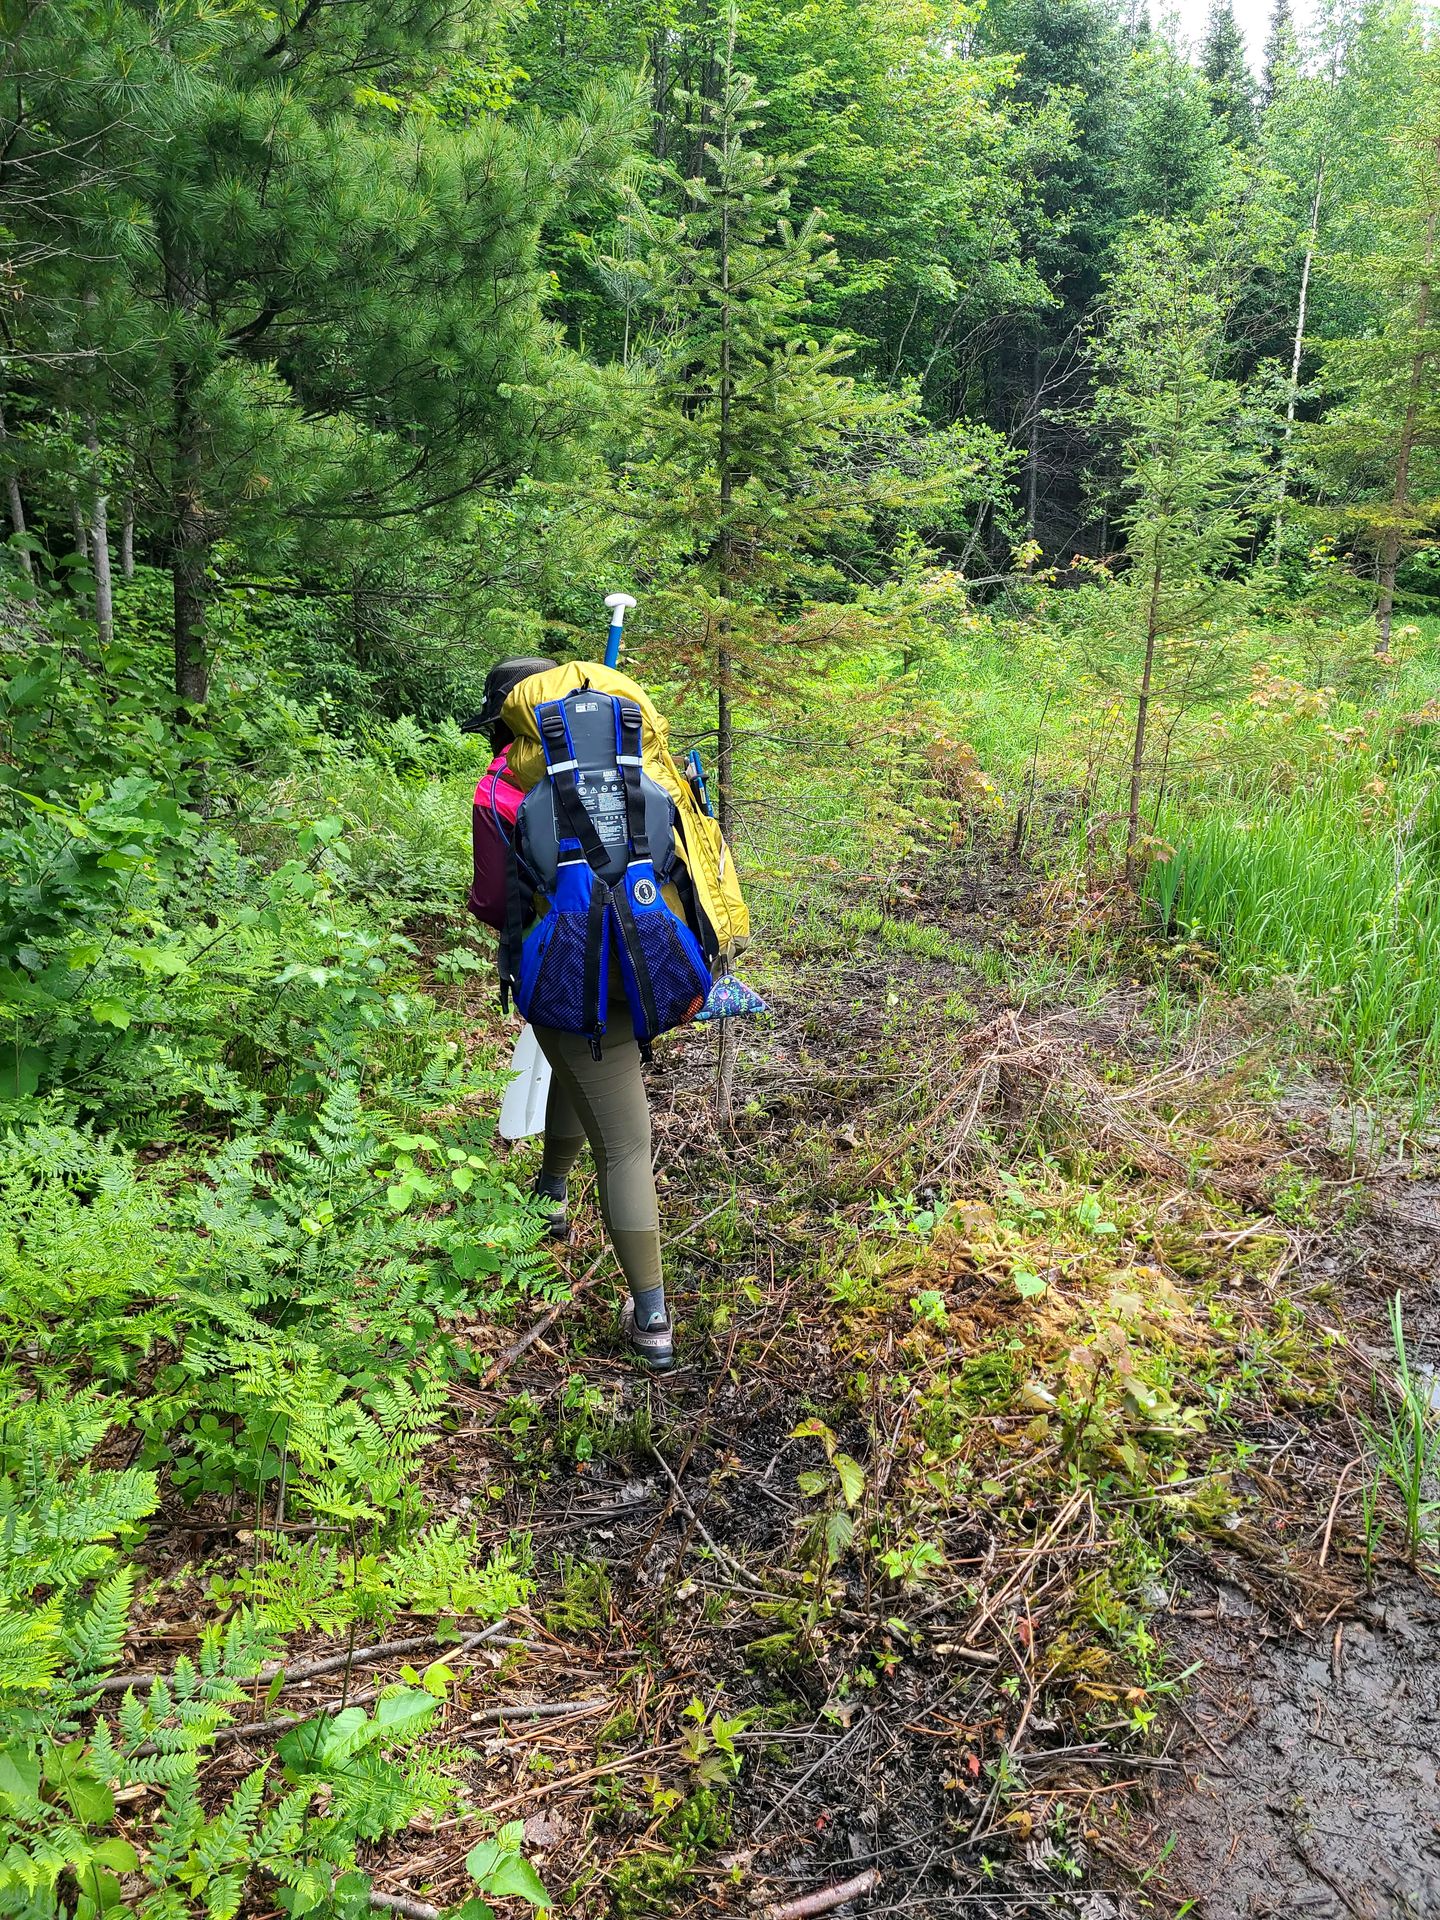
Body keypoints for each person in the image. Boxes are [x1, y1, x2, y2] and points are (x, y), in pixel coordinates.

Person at [465, 656, 675, 1371]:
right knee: (574, 1069)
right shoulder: (641, 767)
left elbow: (496, 903)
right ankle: (551, 1190)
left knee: (625, 1146)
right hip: (653, 967)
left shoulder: (502, 789)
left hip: (568, 978)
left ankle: (652, 1315)